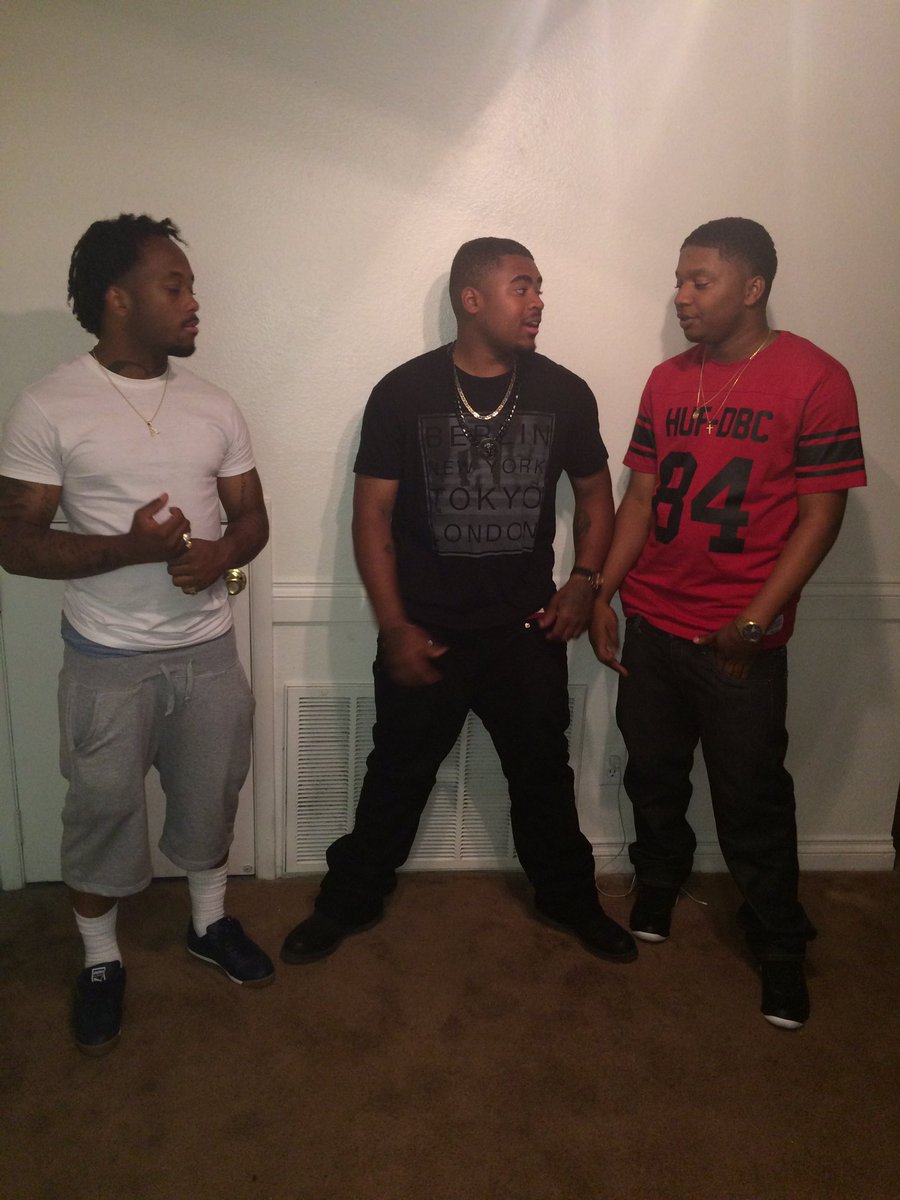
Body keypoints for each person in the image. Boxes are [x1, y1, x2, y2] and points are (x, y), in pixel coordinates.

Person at [281, 237, 636, 967]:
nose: (537, 301)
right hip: (429, 631)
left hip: (526, 630)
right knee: (396, 776)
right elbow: (372, 517)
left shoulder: (565, 392)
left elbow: (597, 500)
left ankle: (569, 899)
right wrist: (393, 626)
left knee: (543, 779)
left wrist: (584, 581)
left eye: (539, 286)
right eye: (521, 287)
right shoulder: (403, 392)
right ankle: (348, 902)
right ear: (471, 299)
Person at [0, 214, 274, 1055]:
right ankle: (98, 960)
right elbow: (14, 543)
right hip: (107, 662)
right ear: (119, 299)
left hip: (208, 653)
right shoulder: (49, 405)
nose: (193, 302)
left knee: (211, 797)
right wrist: (132, 549)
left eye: (190, 286)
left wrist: (223, 554)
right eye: (175, 285)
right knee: (102, 815)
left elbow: (253, 517)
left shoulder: (214, 404)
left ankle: (208, 922)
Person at [590, 217, 866, 1029]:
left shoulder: (816, 378)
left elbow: (821, 516)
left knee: (752, 800)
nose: (680, 296)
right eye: (678, 280)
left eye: (698, 281)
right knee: (653, 775)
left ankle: (779, 939)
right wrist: (604, 592)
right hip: (653, 622)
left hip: (737, 639)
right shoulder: (667, 380)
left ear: (753, 288)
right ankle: (661, 878)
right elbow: (641, 498)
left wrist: (754, 621)